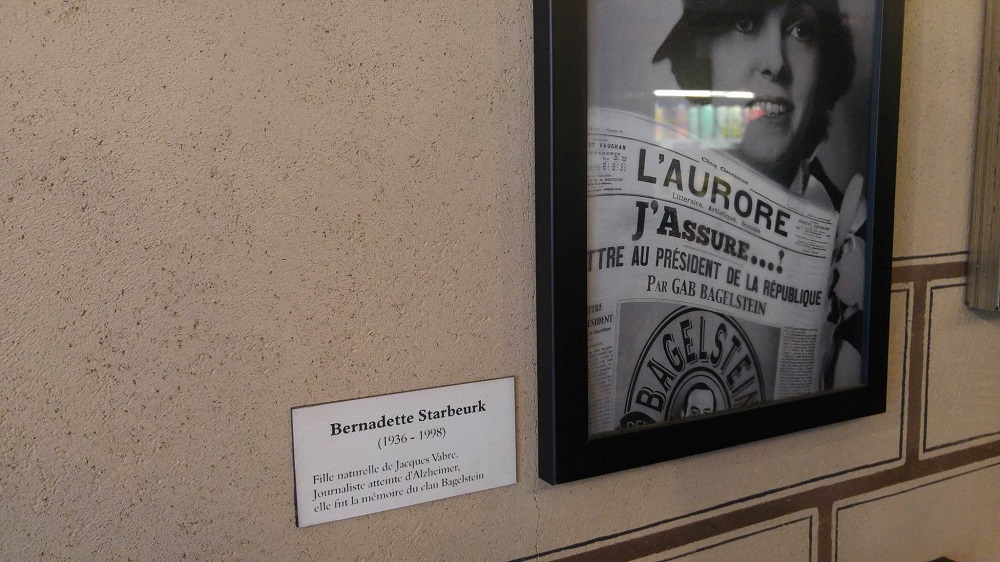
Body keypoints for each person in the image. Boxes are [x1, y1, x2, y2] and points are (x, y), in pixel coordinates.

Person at [652, 0, 865, 389]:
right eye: (745, 22)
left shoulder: (855, 244)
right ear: (701, 52)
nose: (776, 63)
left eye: (801, 31)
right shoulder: (646, 215)